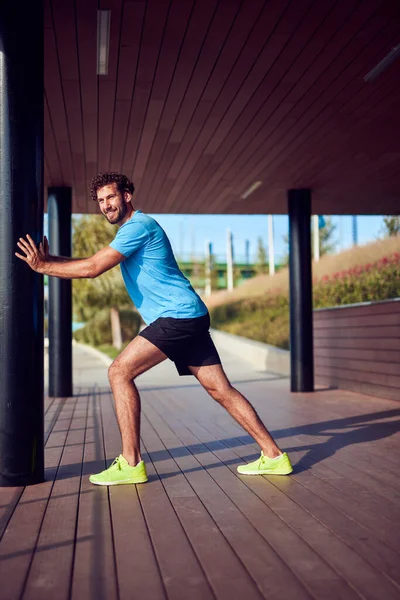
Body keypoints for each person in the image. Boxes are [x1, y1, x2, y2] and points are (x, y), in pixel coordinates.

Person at [16, 172, 292, 484]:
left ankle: (131, 464)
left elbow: (93, 268)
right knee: (219, 389)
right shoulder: (130, 232)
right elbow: (94, 260)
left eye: (111, 197)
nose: (107, 205)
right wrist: (54, 259)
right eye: (102, 200)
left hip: (177, 317)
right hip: (189, 315)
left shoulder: (139, 226)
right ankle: (274, 456)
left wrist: (42, 266)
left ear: (127, 195)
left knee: (119, 372)